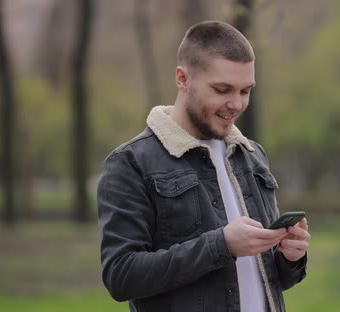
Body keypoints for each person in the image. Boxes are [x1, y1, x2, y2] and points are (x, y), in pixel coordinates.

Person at [97, 20, 310, 312]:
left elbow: (264, 277)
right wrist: (221, 245)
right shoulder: (131, 163)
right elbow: (121, 276)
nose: (236, 104)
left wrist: (290, 257)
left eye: (245, 91)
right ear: (183, 79)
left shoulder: (251, 155)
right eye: (222, 89)